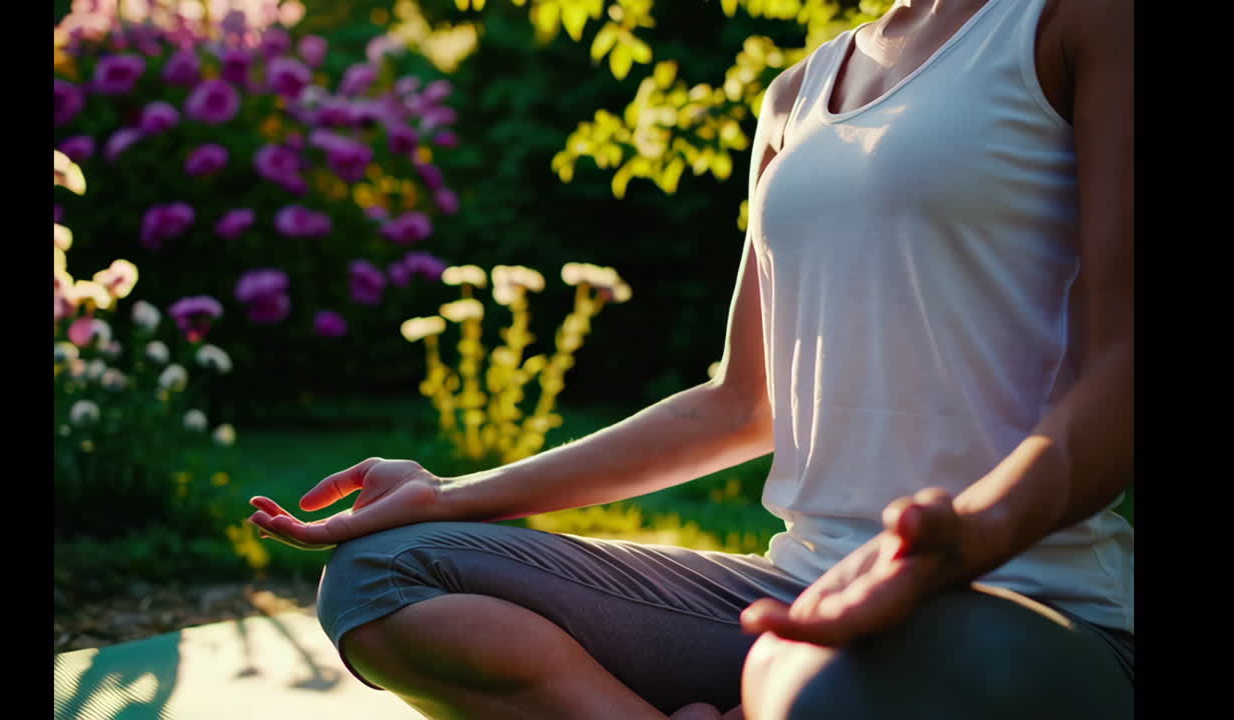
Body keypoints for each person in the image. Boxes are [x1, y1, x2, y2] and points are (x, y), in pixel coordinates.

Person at [248, 0, 1134, 717]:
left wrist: (965, 539)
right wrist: (451, 494)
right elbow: (739, 403)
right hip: (791, 597)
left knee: (823, 686)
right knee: (379, 576)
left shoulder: (1076, 22)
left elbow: (1126, 367)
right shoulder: (796, 91)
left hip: (1028, 606)